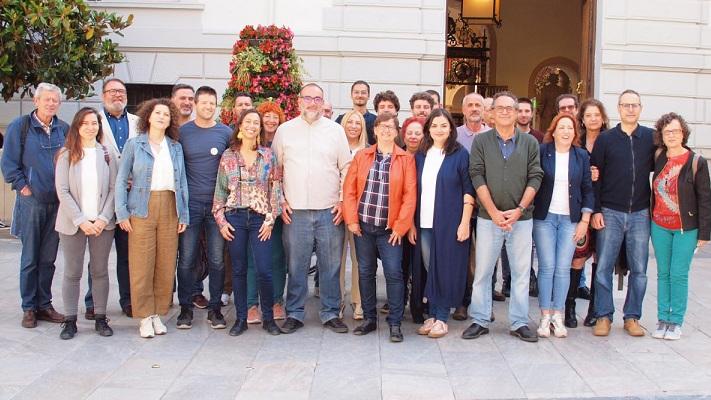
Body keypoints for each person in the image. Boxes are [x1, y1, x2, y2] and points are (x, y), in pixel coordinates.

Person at [463, 91, 543, 343]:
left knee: (520, 273)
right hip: (488, 218)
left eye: (511, 108)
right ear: (492, 113)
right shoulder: (481, 141)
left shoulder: (530, 142)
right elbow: (476, 175)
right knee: (484, 272)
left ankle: (519, 322)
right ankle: (480, 319)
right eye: (501, 108)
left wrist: (519, 209)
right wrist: (494, 212)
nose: (507, 112)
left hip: (521, 218)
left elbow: (535, 176)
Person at [272, 83, 352, 334]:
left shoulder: (335, 131)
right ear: (299, 101)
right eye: (308, 98)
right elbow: (275, 171)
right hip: (295, 211)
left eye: (318, 99)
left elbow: (346, 167)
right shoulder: (285, 131)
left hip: (329, 210)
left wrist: (341, 200)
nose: (313, 103)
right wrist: (281, 201)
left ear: (323, 102)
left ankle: (330, 312)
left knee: (331, 265)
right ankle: (294, 312)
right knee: (296, 265)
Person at [115, 98, 189, 338]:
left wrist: (183, 213)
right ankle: (145, 316)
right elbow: (120, 180)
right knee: (141, 263)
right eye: (158, 113)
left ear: (170, 121)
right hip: (141, 208)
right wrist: (122, 212)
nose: (161, 117)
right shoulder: (134, 145)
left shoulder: (175, 147)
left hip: (170, 205)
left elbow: (182, 182)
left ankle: (158, 312)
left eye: (166, 115)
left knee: (166, 263)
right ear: (148, 116)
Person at [343, 113, 416, 342]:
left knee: (394, 273)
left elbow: (409, 196)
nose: (386, 130)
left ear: (397, 132)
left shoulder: (406, 159)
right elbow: (350, 190)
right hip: (363, 226)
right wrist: (352, 220)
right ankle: (369, 319)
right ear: (374, 130)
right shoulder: (362, 156)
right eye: (382, 127)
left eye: (390, 127)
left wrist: (400, 227)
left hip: (390, 230)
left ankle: (395, 322)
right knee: (365, 272)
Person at [1, 82, 68, 328]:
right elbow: (8, 163)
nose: (51, 103)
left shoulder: (63, 128)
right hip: (32, 202)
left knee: (48, 258)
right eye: (46, 99)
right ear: (36, 101)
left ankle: (44, 304)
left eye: (55, 100)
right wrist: (23, 187)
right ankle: (29, 307)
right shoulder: (20, 127)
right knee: (30, 257)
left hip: (57, 203)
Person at [590, 89, 655, 337]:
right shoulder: (606, 140)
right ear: (618, 108)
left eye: (634, 105)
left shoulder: (651, 138)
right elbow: (594, 177)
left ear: (640, 108)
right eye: (626, 105)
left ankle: (632, 317)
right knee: (604, 266)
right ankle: (604, 315)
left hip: (640, 213)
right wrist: (595, 209)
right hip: (610, 211)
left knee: (639, 270)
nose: (630, 109)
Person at [213, 108, 283, 336]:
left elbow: (276, 189)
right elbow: (220, 192)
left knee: (264, 269)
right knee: (240, 269)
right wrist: (222, 222)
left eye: (256, 122)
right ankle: (241, 318)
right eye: (248, 122)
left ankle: (269, 319)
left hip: (260, 220)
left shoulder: (268, 155)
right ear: (240, 126)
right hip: (235, 217)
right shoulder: (228, 156)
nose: (253, 125)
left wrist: (271, 220)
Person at [409, 108, 475, 338]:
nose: (439, 129)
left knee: (445, 269)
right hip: (424, 222)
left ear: (451, 129)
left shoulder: (460, 154)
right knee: (430, 268)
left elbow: (469, 191)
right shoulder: (421, 155)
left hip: (450, 222)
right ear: (428, 129)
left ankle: (442, 318)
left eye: (443, 125)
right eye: (434, 125)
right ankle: (433, 314)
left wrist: (465, 222)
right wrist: (411, 223)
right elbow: (412, 191)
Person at [55, 107, 118, 339]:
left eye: (94, 123)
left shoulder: (106, 153)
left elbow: (114, 188)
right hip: (74, 224)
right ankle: (70, 320)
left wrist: (102, 218)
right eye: (86, 123)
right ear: (77, 127)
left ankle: (101, 317)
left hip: (102, 223)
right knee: (72, 272)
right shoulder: (67, 154)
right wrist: (81, 220)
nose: (91, 127)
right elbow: (62, 190)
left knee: (100, 271)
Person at [532, 113, 594, 338]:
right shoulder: (542, 152)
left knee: (563, 267)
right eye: (562, 127)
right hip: (544, 218)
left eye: (570, 128)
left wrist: (585, 220)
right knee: (547, 267)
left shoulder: (581, 156)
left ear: (575, 133)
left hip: (571, 220)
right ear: (554, 130)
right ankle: (544, 315)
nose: (566, 131)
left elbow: (588, 188)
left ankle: (558, 315)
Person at [650, 112, 710, 340]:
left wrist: (705, 233)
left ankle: (676, 322)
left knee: (678, 274)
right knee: (663, 273)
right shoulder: (659, 156)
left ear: (683, 132)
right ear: (661, 136)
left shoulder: (696, 162)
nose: (672, 135)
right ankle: (663, 318)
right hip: (659, 225)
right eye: (667, 132)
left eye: (675, 131)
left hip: (686, 227)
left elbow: (705, 198)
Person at [175, 86, 231, 330]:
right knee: (187, 259)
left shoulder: (225, 133)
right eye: (204, 103)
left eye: (212, 103)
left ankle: (215, 308)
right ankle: (185, 308)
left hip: (217, 207)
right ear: (195, 104)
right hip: (190, 206)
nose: (208, 107)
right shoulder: (183, 132)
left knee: (217, 259)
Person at [85, 78, 138, 320]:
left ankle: (128, 301)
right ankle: (92, 302)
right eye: (112, 91)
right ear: (103, 94)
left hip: (130, 199)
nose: (117, 95)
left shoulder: (137, 122)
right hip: (102, 198)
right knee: (98, 255)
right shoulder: (92, 121)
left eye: (121, 91)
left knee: (127, 255)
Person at [244, 101, 288, 323]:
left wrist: (277, 208)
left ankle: (276, 301)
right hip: (251, 211)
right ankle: (252, 304)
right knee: (253, 258)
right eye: (266, 116)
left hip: (276, 208)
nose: (271, 120)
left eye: (275, 116)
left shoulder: (281, 143)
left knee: (277, 257)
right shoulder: (249, 143)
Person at [570, 98, 609, 328]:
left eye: (597, 114)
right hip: (580, 209)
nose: (593, 119)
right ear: (582, 120)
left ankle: (595, 308)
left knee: (600, 260)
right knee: (577, 258)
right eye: (588, 115)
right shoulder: (576, 142)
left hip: (604, 209)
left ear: (603, 117)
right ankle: (570, 306)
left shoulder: (612, 141)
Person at [338, 110, 368, 320]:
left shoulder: (368, 151)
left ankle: (358, 301)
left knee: (360, 259)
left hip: (360, 211)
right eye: (350, 122)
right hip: (338, 209)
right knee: (336, 259)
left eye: (358, 123)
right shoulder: (335, 149)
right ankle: (338, 300)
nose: (354, 126)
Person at [399, 116, 426, 322]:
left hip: (421, 219)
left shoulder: (427, 158)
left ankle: (419, 306)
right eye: (410, 133)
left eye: (418, 133)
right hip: (399, 219)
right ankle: (398, 304)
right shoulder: (397, 156)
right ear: (404, 134)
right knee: (400, 266)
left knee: (419, 267)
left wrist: (414, 223)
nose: (414, 137)